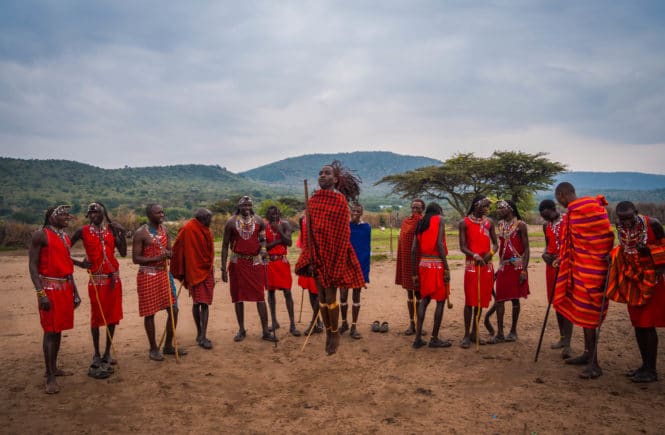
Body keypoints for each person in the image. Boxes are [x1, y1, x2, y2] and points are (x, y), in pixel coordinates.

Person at [295, 161, 365, 355]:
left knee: (331, 296)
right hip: (316, 254)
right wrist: (308, 256)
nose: (322, 175)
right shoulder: (313, 201)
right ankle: (328, 330)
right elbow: (308, 232)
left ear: (335, 179)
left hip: (334, 254)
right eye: (320, 173)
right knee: (322, 298)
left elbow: (343, 233)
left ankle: (334, 333)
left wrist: (339, 259)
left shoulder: (340, 201)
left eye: (326, 173)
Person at [552, 182, 614, 379]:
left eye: (558, 199)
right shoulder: (581, 211)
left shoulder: (585, 210)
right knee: (584, 314)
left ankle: (595, 364)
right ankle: (587, 354)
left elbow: (605, 238)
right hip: (580, 269)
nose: (559, 203)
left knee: (590, 318)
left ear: (562, 195)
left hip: (593, 271)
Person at [606, 201, 665, 383]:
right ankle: (644, 366)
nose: (625, 223)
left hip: (653, 281)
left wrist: (648, 250)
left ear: (636, 213)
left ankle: (652, 370)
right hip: (634, 282)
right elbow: (625, 249)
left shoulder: (652, 223)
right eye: (621, 220)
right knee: (638, 324)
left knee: (648, 324)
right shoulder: (621, 227)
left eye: (628, 219)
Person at [28, 205, 82, 394]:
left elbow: (67, 264)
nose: (67, 217)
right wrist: (41, 294)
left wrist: (75, 292)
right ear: (51, 217)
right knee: (50, 331)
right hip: (49, 289)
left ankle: (54, 368)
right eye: (63, 215)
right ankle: (49, 376)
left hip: (65, 288)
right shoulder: (40, 235)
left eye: (68, 215)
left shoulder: (65, 237)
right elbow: (33, 267)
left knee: (58, 330)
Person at [70, 202, 127, 377]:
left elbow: (124, 253)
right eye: (90, 213)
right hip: (96, 281)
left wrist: (121, 234)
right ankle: (96, 354)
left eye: (96, 212)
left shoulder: (111, 230)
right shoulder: (83, 231)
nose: (93, 215)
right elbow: (63, 250)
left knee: (113, 317)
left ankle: (107, 353)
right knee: (96, 318)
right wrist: (79, 263)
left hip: (113, 281)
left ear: (103, 213)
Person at [132, 203, 185, 361]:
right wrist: (157, 258)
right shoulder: (141, 233)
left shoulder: (165, 231)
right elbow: (136, 259)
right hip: (147, 275)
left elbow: (168, 251)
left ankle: (168, 346)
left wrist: (170, 254)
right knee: (150, 313)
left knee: (174, 310)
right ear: (149, 215)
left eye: (162, 212)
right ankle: (153, 348)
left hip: (163, 274)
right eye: (158, 213)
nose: (162, 215)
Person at [221, 196, 277, 343]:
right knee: (238, 297)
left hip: (255, 262)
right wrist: (222, 268)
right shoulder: (231, 222)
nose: (247, 207)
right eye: (244, 205)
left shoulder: (259, 221)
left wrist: (264, 250)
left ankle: (265, 330)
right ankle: (241, 329)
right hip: (237, 263)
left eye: (249, 204)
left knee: (260, 296)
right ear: (239, 206)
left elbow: (263, 239)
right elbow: (225, 246)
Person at [485, 199, 530, 344]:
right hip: (504, 267)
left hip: (517, 267)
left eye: (501, 208)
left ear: (510, 209)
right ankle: (500, 333)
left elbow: (527, 248)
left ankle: (513, 331)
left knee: (515, 299)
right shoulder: (500, 225)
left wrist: (524, 269)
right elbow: (499, 246)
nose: (498, 211)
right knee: (500, 299)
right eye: (497, 208)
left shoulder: (520, 225)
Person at [170, 208, 216, 349]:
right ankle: (200, 335)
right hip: (194, 271)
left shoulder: (205, 229)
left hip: (207, 270)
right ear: (202, 218)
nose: (211, 221)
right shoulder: (188, 229)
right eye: (209, 218)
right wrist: (183, 269)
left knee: (205, 303)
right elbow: (177, 249)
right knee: (198, 303)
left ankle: (202, 335)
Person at [459, 195, 497, 349]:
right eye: (485, 206)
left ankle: (475, 332)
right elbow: (462, 246)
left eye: (488, 207)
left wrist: (491, 254)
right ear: (476, 206)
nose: (487, 209)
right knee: (470, 300)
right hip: (472, 265)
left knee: (480, 302)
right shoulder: (464, 222)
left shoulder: (490, 222)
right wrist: (474, 255)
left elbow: (496, 244)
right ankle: (466, 335)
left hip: (486, 265)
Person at [411, 202, 452, 349]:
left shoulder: (421, 222)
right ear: (439, 210)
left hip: (423, 264)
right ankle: (434, 339)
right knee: (440, 301)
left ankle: (417, 338)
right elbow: (440, 245)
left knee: (424, 299)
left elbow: (414, 249)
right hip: (436, 265)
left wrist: (414, 273)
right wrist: (447, 268)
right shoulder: (440, 219)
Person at [539, 199, 573, 359]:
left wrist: (563, 258)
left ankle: (568, 344)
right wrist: (544, 254)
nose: (547, 219)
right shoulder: (546, 225)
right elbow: (547, 245)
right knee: (557, 303)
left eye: (548, 215)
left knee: (565, 302)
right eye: (544, 217)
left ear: (553, 209)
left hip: (566, 266)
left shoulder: (568, 220)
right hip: (551, 267)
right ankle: (562, 338)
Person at [264, 205, 301, 337]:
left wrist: (279, 230)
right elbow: (265, 247)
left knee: (287, 292)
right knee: (271, 293)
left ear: (279, 213)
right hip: (269, 263)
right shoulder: (264, 226)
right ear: (267, 215)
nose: (274, 216)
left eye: (276, 214)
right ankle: (274, 322)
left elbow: (289, 243)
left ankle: (292, 325)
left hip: (282, 262)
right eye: (271, 214)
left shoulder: (284, 224)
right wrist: (280, 240)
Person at [340, 203, 371, 339]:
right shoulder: (344, 227)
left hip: (360, 265)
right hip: (345, 265)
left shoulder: (366, 228)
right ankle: (344, 323)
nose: (355, 213)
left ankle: (353, 326)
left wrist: (364, 270)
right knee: (342, 296)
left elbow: (365, 250)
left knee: (356, 296)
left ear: (362, 213)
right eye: (353, 210)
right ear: (350, 212)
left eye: (358, 211)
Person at [395, 199, 426, 335]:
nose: (415, 210)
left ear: (422, 209)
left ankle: (419, 325)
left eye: (418, 208)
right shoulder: (405, 222)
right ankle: (411, 324)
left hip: (419, 262)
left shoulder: (424, 222)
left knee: (419, 294)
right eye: (413, 207)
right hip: (407, 262)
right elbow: (402, 242)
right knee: (409, 294)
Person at [297, 215, 324, 335]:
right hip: (307, 259)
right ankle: (318, 322)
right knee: (311, 292)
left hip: (321, 258)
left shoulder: (322, 218)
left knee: (318, 292)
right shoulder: (302, 219)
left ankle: (313, 323)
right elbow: (303, 241)